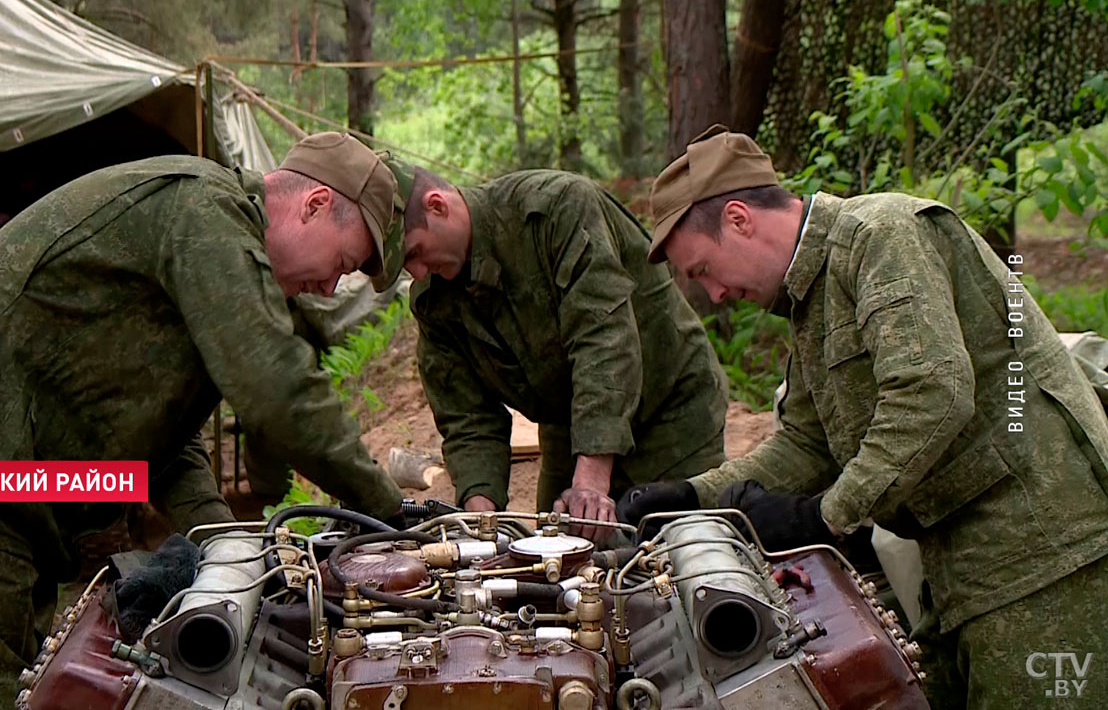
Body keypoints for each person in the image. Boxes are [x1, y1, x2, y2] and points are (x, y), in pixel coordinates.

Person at [0, 132, 408, 709]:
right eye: (341, 263)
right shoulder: (205, 211)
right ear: (314, 205)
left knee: (31, 685)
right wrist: (387, 508)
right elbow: (276, 389)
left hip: (14, 475)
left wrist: (228, 542)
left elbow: (166, 435)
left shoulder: (216, 240)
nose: (328, 288)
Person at [621, 124, 1108, 708]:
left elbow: (932, 393)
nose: (716, 296)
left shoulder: (881, 236)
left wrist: (825, 518)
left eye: (702, 271)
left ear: (739, 219)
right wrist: (690, 497)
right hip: (964, 569)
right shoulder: (811, 301)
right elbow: (806, 443)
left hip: (1044, 554)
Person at [383, 158, 728, 540]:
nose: (415, 272)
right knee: (557, 566)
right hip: (569, 427)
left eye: (414, 252)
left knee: (684, 555)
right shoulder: (434, 300)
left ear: (438, 206)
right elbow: (466, 415)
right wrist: (481, 518)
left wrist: (592, 481)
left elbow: (604, 339)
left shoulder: (555, 210)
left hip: (668, 413)